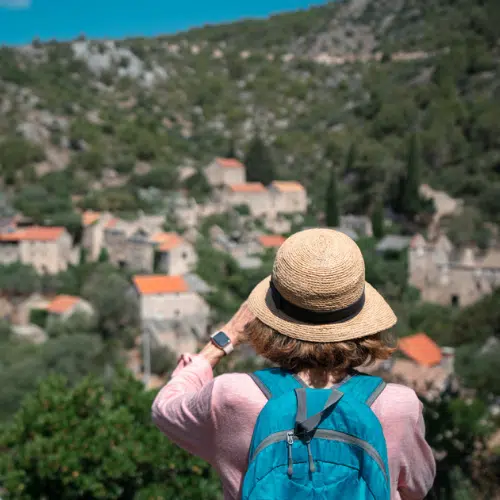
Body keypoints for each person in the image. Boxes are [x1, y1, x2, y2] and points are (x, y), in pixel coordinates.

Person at [152, 228, 436, 499]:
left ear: (270, 316)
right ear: (361, 320)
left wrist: (223, 340)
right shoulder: (400, 406)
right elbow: (417, 487)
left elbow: (164, 408)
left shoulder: (231, 398)